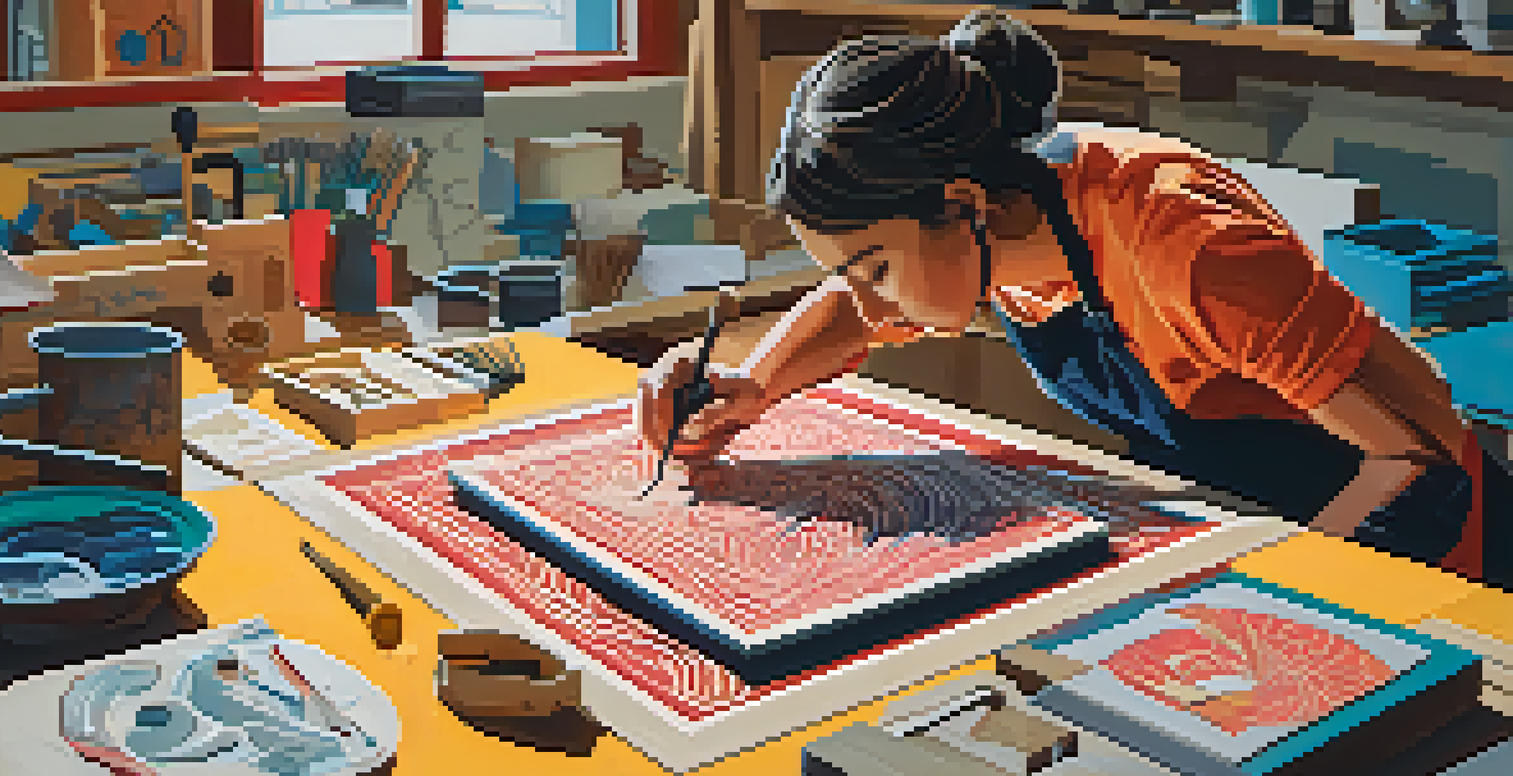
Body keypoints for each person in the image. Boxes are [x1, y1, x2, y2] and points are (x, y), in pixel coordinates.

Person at [636, 7, 1508, 586]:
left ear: (964, 207)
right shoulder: (999, 216)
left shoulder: (1183, 250)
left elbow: (1413, 461)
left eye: (875, 267)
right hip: (1251, 510)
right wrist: (751, 387)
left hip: (1422, 538)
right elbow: (848, 313)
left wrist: (1269, 579)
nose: (869, 297)